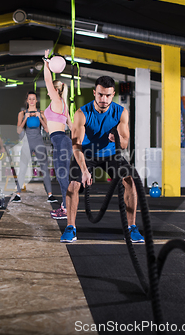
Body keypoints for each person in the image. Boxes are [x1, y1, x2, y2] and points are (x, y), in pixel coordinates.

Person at [60, 76, 144, 243]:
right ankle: (70, 227)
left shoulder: (121, 112)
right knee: (73, 185)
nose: (103, 99)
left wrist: (118, 139)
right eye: (100, 95)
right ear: (94, 93)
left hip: (111, 154)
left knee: (130, 181)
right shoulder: (82, 113)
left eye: (107, 96)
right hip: (86, 154)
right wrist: (84, 170)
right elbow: (76, 145)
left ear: (113, 95)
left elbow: (126, 143)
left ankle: (132, 227)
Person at [43, 50, 73, 219]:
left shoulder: (56, 100)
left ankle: (67, 209)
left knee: (62, 178)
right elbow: (71, 126)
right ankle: (66, 206)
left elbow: (47, 79)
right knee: (62, 177)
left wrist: (46, 61)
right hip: (61, 141)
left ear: (54, 89)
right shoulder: (62, 104)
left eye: (51, 87)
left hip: (61, 141)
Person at [13, 91, 57, 203]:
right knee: (22, 169)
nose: (32, 101)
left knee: (44, 168)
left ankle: (50, 195)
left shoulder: (42, 113)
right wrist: (25, 119)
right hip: (27, 143)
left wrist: (40, 118)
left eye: (34, 99)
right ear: (27, 101)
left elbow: (47, 129)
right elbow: (18, 130)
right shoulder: (22, 113)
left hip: (39, 142)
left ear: (36, 101)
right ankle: (18, 194)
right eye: (30, 99)